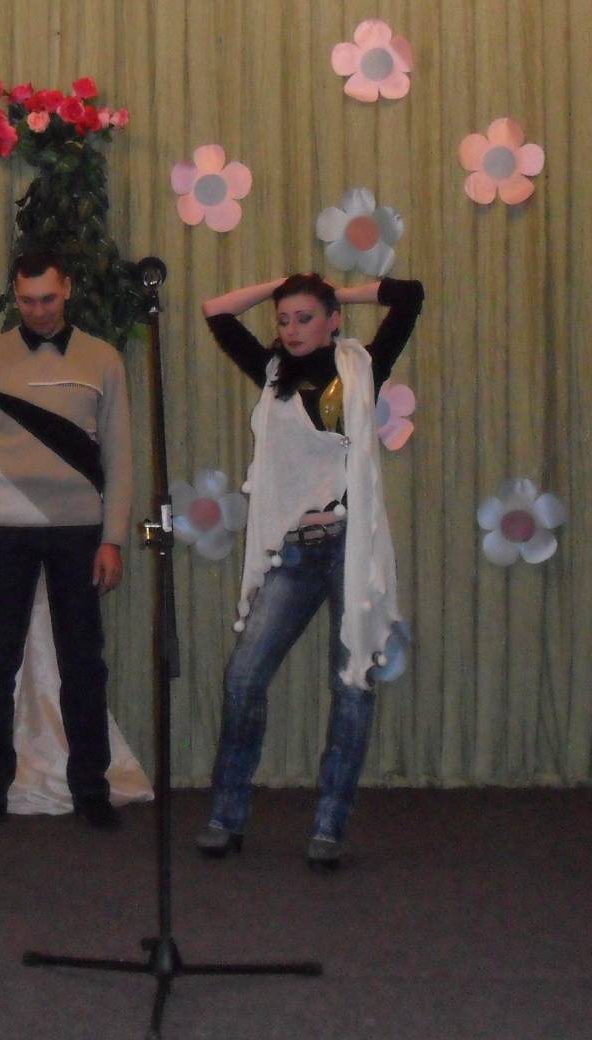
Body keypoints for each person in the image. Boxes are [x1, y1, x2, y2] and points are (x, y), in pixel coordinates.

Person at [195, 272, 424, 869]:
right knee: (244, 677)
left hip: (350, 545)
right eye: (284, 319)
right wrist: (282, 283)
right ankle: (226, 816)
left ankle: (329, 825)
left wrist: (333, 292)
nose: (292, 329)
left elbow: (410, 294)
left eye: (305, 318)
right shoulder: (272, 373)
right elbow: (216, 310)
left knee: (352, 684)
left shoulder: (362, 367)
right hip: (293, 552)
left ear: (331, 323)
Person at [0, 250, 133, 833]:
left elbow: (120, 456)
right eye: (27, 301)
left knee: (84, 664)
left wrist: (113, 538)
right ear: (15, 296)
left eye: (48, 298)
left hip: (80, 531)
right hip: (2, 531)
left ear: (68, 289)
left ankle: (91, 789)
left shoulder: (103, 359)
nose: (39, 311)